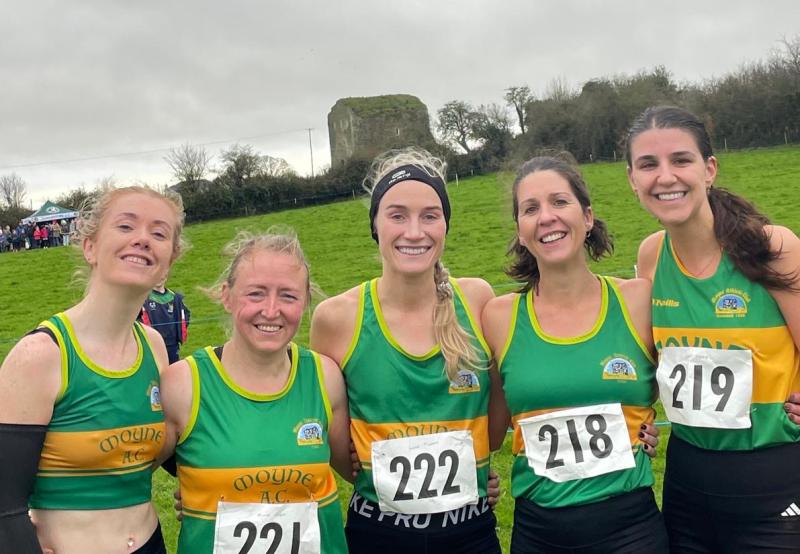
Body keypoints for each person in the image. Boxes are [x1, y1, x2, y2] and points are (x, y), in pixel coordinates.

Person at [310, 147, 502, 553]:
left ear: (445, 225)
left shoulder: (478, 300)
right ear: (376, 226)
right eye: (397, 215)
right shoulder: (336, 319)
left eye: (430, 215)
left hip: (471, 532)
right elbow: (334, 442)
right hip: (378, 536)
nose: (414, 232)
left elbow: (500, 413)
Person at [626, 105, 800, 551]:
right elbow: (651, 365)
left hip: (773, 479)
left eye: (680, 160)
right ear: (632, 180)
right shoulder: (651, 256)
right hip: (687, 482)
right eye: (649, 164)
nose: (665, 177)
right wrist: (635, 422)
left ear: (709, 169)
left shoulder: (772, 247)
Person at [482, 156, 667, 553]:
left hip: (630, 528)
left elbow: (687, 374)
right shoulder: (498, 318)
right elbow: (489, 430)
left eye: (559, 202)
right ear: (520, 230)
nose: (546, 217)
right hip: (539, 531)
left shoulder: (637, 299)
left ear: (587, 217)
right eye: (531, 209)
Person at [0, 185, 185, 554]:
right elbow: (4, 505)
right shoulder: (40, 355)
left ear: (169, 260)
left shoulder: (152, 347)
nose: (143, 240)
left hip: (151, 544)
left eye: (159, 233)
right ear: (89, 247)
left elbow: (168, 450)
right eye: (126, 227)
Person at [159, 228, 350, 553]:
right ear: (227, 295)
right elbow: (123, 475)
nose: (272, 310)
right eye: (256, 294)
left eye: (288, 296)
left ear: (305, 303)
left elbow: (365, 471)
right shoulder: (183, 385)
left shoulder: (325, 377)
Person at [138, 275, 191, 364]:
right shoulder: (143, 298)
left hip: (172, 344)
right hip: (153, 344)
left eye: (163, 274)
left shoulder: (175, 297)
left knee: (172, 371)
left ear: (166, 276)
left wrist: (178, 331)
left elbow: (185, 315)